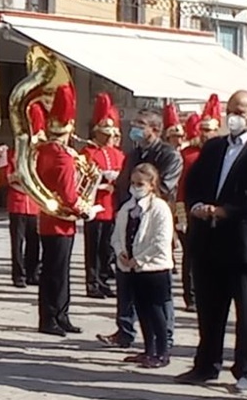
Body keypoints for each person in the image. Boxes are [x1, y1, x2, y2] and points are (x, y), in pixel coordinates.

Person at [178, 90, 247, 392]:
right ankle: (206, 365)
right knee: (209, 308)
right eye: (230, 111)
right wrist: (197, 205)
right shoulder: (214, 147)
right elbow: (193, 182)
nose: (234, 117)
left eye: (240, 111)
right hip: (211, 240)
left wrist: (225, 210)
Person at [98, 109, 182, 349]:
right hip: (130, 218)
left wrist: (143, 197)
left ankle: (164, 335)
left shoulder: (169, 154)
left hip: (154, 218)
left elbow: (165, 187)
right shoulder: (133, 154)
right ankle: (125, 330)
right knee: (125, 278)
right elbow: (123, 184)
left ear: (154, 129)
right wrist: (123, 209)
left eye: (140, 124)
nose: (134, 128)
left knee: (157, 286)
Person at [36, 83, 90, 336]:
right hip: (61, 221)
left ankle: (59, 315)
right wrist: (84, 208)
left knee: (55, 271)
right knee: (57, 273)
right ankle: (52, 317)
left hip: (50, 219)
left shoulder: (45, 151)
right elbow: (69, 194)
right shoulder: (63, 156)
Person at [112, 164, 175, 369]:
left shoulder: (159, 208)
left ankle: (162, 352)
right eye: (133, 183)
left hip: (154, 268)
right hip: (131, 268)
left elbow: (161, 241)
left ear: (151, 185)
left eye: (140, 184)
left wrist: (139, 259)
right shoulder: (127, 208)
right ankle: (148, 349)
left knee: (156, 310)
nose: (135, 188)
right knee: (142, 309)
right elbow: (117, 235)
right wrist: (121, 252)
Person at [174, 96, 221, 309]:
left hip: (215, 212)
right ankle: (191, 296)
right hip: (191, 210)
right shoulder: (188, 154)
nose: (205, 133)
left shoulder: (223, 153)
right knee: (191, 255)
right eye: (203, 129)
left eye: (209, 130)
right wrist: (181, 215)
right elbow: (181, 186)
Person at [82, 93, 125, 298]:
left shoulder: (117, 153)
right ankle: (92, 282)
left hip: (111, 207)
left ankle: (104, 280)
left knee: (106, 248)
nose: (108, 139)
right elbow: (83, 179)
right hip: (95, 206)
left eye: (111, 135)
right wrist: (101, 184)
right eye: (105, 134)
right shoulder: (88, 152)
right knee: (93, 248)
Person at [5, 143, 40, 288]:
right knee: (17, 242)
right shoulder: (12, 154)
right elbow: (8, 177)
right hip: (17, 203)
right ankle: (18, 275)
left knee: (34, 241)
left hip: (33, 205)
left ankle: (32, 273)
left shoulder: (37, 156)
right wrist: (19, 176)